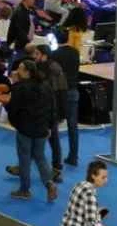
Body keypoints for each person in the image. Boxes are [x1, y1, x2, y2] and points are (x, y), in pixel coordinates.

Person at [5, 60, 58, 202]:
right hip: (41, 129)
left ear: (27, 72)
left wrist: (16, 124)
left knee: (24, 159)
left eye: (20, 68)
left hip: (25, 129)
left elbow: (13, 108)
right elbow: (53, 108)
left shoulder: (20, 87)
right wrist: (50, 126)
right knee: (40, 157)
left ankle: (24, 190)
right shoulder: (46, 85)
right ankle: (49, 184)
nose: (17, 71)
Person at [56, 161, 117, 226]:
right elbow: (94, 224)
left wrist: (97, 212)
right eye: (103, 177)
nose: (106, 180)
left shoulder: (80, 185)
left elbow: (80, 209)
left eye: (106, 177)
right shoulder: (90, 195)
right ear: (93, 176)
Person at [33, 44, 68, 179]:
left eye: (37, 53)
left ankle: (57, 169)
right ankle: (23, 165)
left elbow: (60, 92)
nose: (34, 56)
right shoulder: (42, 67)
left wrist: (60, 113)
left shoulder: (52, 69)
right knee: (34, 139)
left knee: (53, 140)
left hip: (50, 110)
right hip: (43, 109)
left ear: (44, 55)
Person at [51, 31, 81, 166]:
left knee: (54, 124)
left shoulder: (54, 54)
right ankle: (73, 156)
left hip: (59, 92)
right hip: (73, 90)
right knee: (73, 125)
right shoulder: (75, 52)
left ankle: (56, 157)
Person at [7, 0, 37, 66]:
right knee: (16, 64)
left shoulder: (25, 10)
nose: (34, 1)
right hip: (19, 45)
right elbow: (19, 31)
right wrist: (27, 42)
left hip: (21, 42)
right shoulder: (20, 12)